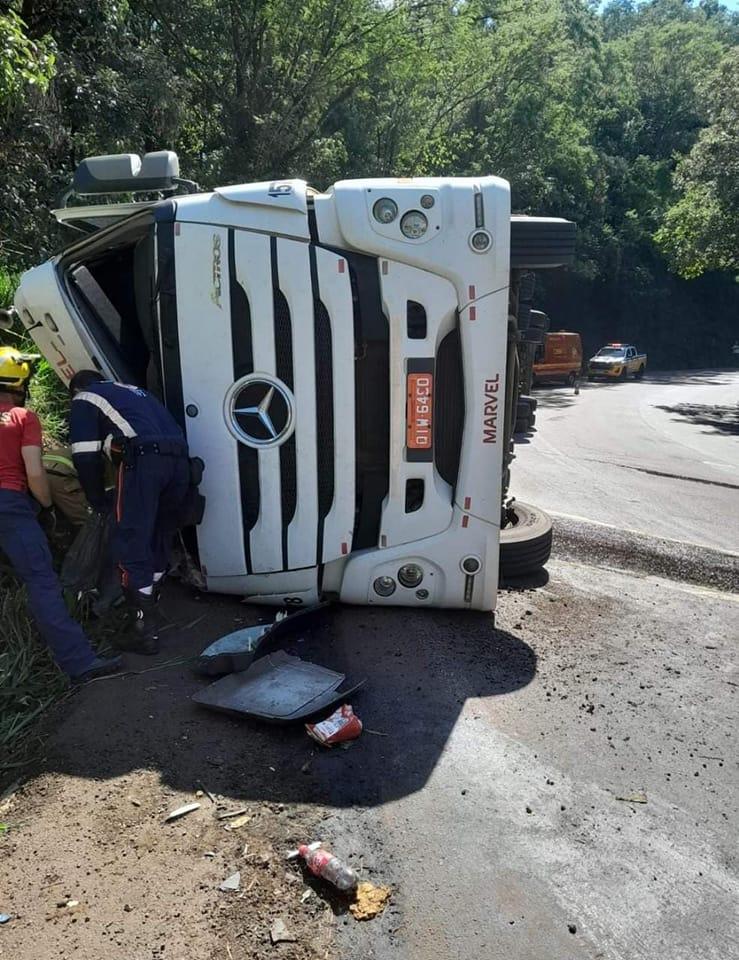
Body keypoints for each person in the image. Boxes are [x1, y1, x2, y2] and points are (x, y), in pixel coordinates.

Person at [0, 347, 122, 682]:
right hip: (9, 506)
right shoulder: (22, 418)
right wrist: (48, 507)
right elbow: (36, 474)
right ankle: (80, 662)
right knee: (41, 582)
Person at [68, 371, 191, 653]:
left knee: (132, 539)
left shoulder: (84, 398)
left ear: (76, 389)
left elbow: (85, 456)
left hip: (146, 462)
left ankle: (143, 632)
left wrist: (98, 500)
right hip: (181, 463)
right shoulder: (136, 393)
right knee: (159, 536)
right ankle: (151, 611)